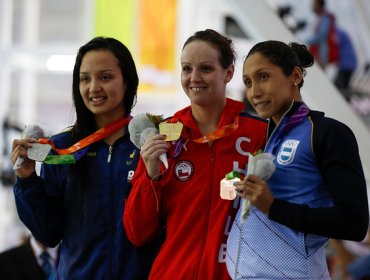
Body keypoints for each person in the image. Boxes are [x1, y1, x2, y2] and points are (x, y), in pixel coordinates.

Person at [10, 37, 161, 279]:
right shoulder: (61, 149)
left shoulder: (148, 146)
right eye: (84, 79)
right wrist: (27, 180)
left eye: (105, 77)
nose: (93, 88)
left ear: (127, 81)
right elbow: (48, 234)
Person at [123, 29, 267, 280]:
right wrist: (150, 175)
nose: (194, 78)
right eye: (187, 68)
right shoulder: (164, 136)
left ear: (229, 73)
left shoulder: (259, 135)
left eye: (206, 69)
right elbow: (138, 233)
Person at [226, 40, 369, 279]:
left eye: (263, 77)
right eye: (248, 82)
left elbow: (354, 222)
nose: (254, 92)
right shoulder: (261, 137)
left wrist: (274, 207)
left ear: (294, 76)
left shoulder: (327, 133)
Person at [306, 0, 339, 68]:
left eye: (313, 3)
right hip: (318, 55)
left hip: (320, 56)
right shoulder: (321, 17)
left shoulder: (325, 18)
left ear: (318, 5)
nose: (312, 6)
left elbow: (321, 36)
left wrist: (306, 40)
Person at [334, 27, 358, 93]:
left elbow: (334, 47)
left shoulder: (337, 33)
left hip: (346, 64)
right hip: (350, 63)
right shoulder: (340, 32)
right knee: (343, 85)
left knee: (339, 86)